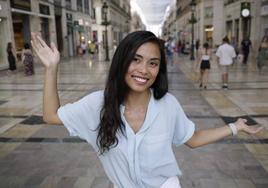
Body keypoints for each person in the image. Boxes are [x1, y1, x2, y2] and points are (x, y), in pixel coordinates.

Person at [31, 31, 262, 188]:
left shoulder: (168, 104)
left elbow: (192, 138)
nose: (144, 70)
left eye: (153, 63)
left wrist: (234, 127)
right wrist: (51, 68)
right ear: (122, 61)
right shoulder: (97, 105)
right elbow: (51, 115)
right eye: (136, 59)